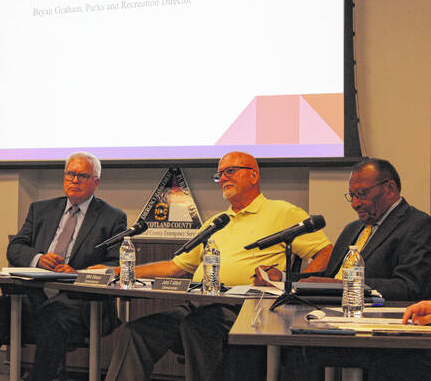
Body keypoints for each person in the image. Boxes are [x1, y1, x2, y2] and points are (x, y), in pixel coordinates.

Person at [103, 151, 333, 381]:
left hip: (245, 310)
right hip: (198, 305)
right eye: (219, 174)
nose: (223, 178)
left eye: (230, 171)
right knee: (134, 333)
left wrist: (298, 282)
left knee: (197, 327)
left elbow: (325, 252)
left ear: (253, 176)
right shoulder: (217, 222)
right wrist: (116, 272)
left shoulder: (283, 212)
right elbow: (175, 267)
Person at [0, 151, 127, 381]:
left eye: (81, 175)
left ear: (96, 182)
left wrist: (78, 273)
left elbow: (116, 263)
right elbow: (15, 248)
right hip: (33, 294)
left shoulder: (112, 217)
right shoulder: (41, 209)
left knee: (53, 318)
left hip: (80, 299)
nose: (74, 180)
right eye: (70, 174)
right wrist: (39, 258)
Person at [281, 158, 431, 380]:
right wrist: (285, 278)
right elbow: (328, 278)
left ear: (390, 188)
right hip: (328, 316)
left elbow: (410, 287)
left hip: (376, 330)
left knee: (302, 352)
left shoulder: (417, 225)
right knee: (289, 346)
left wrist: (348, 286)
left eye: (362, 194)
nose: (355, 203)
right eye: (352, 196)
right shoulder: (354, 228)